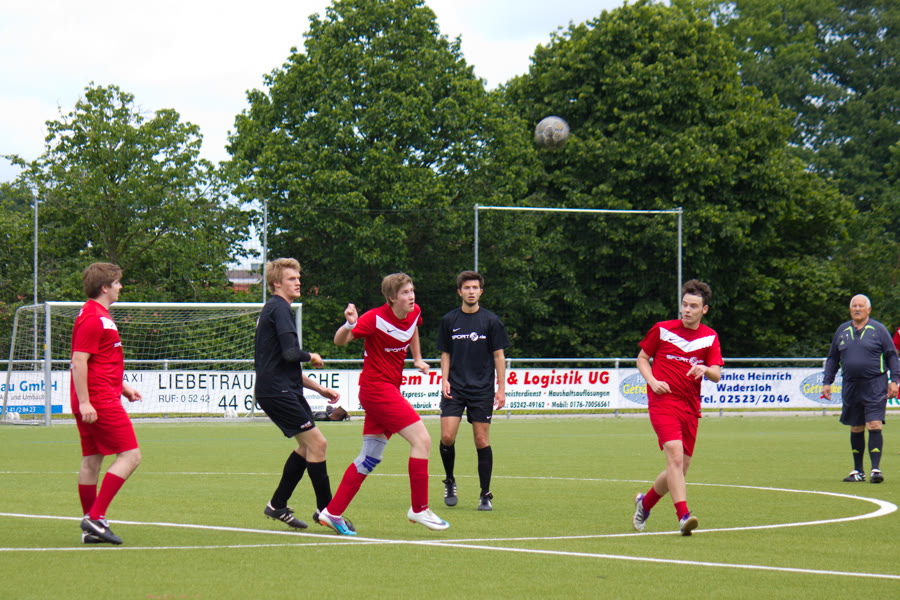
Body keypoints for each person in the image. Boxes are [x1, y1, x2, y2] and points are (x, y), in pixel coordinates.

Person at [317, 273, 449, 535]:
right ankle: (419, 508)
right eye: (404, 293)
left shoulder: (414, 312)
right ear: (391, 298)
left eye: (412, 291)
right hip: (377, 390)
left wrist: (417, 358)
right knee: (422, 440)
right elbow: (339, 341)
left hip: (386, 390)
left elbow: (413, 329)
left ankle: (332, 512)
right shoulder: (374, 318)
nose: (411, 296)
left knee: (369, 457)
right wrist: (349, 324)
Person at [254, 258, 347, 531]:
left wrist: (320, 389)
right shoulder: (280, 308)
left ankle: (277, 505)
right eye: (291, 278)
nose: (298, 282)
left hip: (281, 389)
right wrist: (312, 356)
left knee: (307, 448)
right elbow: (291, 354)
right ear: (276, 284)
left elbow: (283, 365)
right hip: (278, 392)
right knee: (318, 444)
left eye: (298, 278)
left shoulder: (274, 309)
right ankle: (326, 511)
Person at [632, 279, 723, 536]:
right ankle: (683, 516)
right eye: (684, 304)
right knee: (673, 455)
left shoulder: (710, 336)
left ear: (704, 309)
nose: (687, 310)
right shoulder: (662, 329)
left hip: (690, 407)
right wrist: (652, 381)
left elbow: (716, 374)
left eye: (693, 306)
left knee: (679, 470)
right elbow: (642, 359)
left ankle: (645, 504)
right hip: (662, 402)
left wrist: (705, 369)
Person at [71, 263, 143, 545]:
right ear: (104, 287)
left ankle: (92, 526)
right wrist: (86, 402)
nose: (120, 287)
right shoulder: (94, 318)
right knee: (131, 456)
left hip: (97, 396)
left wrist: (123, 387)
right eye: (116, 283)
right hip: (98, 399)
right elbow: (79, 361)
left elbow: (100, 360)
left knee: (92, 459)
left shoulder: (96, 315)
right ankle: (95, 518)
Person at [436, 271, 510, 511]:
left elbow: (499, 356)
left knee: (481, 440)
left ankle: (485, 494)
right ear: (460, 292)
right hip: (455, 387)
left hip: (482, 389)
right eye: (467, 288)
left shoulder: (491, 321)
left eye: (475, 288)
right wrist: (444, 380)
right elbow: (445, 353)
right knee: (447, 437)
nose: (471, 291)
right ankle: (450, 481)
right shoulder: (449, 320)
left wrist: (501, 388)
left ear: (481, 291)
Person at [823, 294, 899, 483]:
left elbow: (891, 355)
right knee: (856, 426)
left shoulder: (878, 330)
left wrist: (895, 380)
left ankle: (875, 470)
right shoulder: (842, 330)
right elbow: (833, 358)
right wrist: (827, 382)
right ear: (850, 309)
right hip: (850, 385)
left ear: (868, 310)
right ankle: (858, 471)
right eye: (854, 306)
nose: (857, 309)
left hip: (875, 384)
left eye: (861, 306)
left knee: (874, 423)